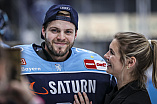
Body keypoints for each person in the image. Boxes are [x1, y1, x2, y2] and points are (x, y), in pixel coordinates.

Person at [14, 4, 116, 104]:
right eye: (54, 30)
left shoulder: (96, 64)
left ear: (75, 34)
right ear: (43, 30)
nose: (61, 37)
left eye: (68, 32)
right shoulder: (17, 57)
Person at [74, 32, 157, 104]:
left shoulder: (135, 101)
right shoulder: (116, 92)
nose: (105, 55)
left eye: (112, 52)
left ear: (130, 62)